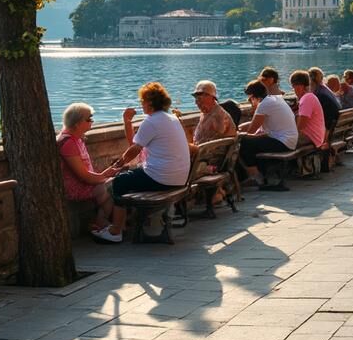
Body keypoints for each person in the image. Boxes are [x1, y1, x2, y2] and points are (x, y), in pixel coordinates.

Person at [97, 82, 193, 243]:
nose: (141, 104)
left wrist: (117, 165)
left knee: (119, 182)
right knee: (131, 175)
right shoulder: (172, 118)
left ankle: (116, 231)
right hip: (180, 178)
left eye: (142, 101)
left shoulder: (151, 121)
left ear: (149, 102)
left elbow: (135, 148)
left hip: (161, 178)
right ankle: (126, 224)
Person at [58, 102, 117, 234]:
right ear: (77, 123)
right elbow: (84, 176)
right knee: (116, 185)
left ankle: (103, 222)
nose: (92, 121)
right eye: (89, 119)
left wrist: (105, 175)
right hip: (76, 188)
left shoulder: (76, 139)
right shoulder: (68, 143)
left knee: (118, 181)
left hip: (85, 183)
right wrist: (105, 176)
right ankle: (101, 223)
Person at [239, 80, 299, 186]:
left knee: (244, 143)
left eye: (249, 99)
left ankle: (256, 177)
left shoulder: (263, 105)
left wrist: (239, 135)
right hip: (290, 140)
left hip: (283, 142)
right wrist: (241, 128)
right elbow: (257, 124)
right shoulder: (274, 99)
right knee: (254, 142)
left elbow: (251, 131)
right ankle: (260, 173)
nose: (250, 102)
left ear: (252, 96)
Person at [189, 81, 237, 145]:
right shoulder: (206, 113)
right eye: (196, 99)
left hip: (210, 152)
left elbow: (217, 140)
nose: (196, 103)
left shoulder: (218, 115)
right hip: (203, 149)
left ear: (210, 97)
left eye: (199, 99)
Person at [289, 70, 327, 150]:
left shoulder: (307, 98)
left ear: (299, 86)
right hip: (316, 137)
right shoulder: (310, 96)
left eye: (293, 86)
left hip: (310, 138)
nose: (294, 90)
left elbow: (300, 126)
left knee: (276, 141)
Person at [309, 67, 343, 142]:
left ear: (310, 80)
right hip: (335, 123)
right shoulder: (325, 90)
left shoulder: (318, 94)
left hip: (328, 127)